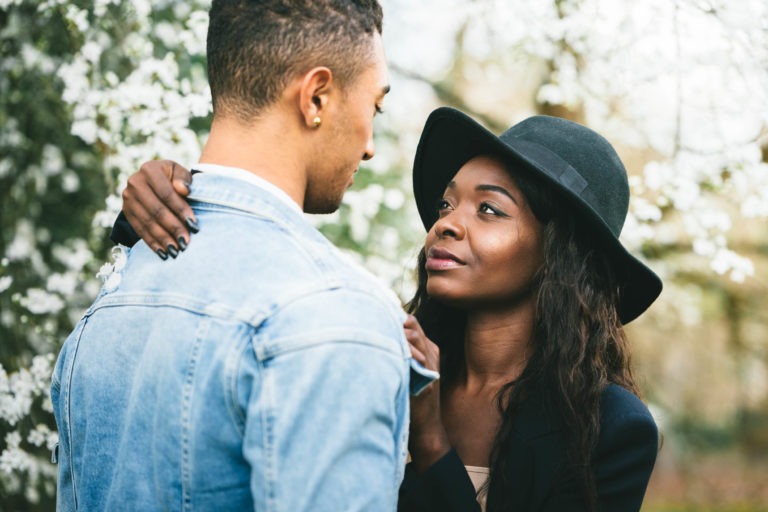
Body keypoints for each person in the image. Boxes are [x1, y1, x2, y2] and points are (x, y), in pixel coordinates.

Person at [119, 106, 662, 511]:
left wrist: (429, 438)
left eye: (489, 210)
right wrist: (174, 196)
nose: (446, 223)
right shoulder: (381, 352)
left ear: (561, 256)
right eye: (447, 204)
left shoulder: (610, 429)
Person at [50, 1, 436, 510]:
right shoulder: (335, 312)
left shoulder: (114, 295)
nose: (369, 147)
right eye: (376, 106)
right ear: (316, 96)